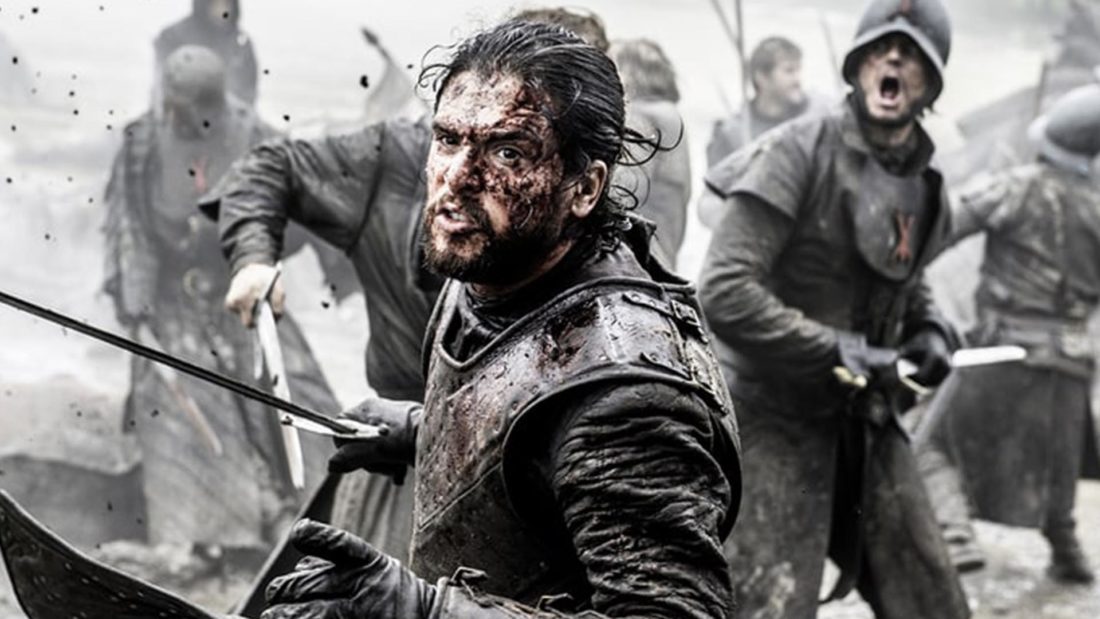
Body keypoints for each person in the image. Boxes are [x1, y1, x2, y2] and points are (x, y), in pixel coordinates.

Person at [259, 20, 742, 619]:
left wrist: (424, 610)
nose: (457, 179)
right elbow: (531, 425)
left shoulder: (626, 401)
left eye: (507, 151)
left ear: (585, 188)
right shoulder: (498, 264)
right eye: (447, 139)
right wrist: (421, 430)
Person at [697, 0, 970, 617]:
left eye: (912, 55)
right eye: (880, 49)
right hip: (773, 415)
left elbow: (905, 275)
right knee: (765, 608)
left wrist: (930, 326)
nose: (893, 60)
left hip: (865, 419)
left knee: (933, 602)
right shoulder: (797, 152)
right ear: (858, 66)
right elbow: (725, 289)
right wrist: (836, 348)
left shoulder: (923, 181)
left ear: (930, 84)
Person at [102, 46, 339, 565]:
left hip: (240, 286)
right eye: (173, 105)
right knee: (179, 399)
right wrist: (135, 305)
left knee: (293, 386)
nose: (178, 116)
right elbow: (128, 226)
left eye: (190, 108)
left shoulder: (259, 138)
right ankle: (206, 535)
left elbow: (298, 221)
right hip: (171, 297)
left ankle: (328, 514)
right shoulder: (143, 142)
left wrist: (231, 242)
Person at [915, 84, 1100, 584]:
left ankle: (955, 537)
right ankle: (1067, 551)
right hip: (1072, 361)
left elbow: (937, 231)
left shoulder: (1015, 187)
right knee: (1058, 463)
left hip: (1003, 352)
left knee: (926, 436)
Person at [698, 36, 824, 229]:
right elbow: (710, 198)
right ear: (762, 78)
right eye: (789, 71)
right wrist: (734, 223)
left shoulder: (817, 120)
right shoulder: (732, 132)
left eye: (799, 70)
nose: (798, 80)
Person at [611, 38, 692, 268]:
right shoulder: (670, 114)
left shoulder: (639, 116)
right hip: (666, 233)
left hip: (639, 242)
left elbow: (626, 189)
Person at [154, 0, 258, 105]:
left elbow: (248, 90)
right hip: (182, 110)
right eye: (216, 4)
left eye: (226, 4)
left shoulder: (240, 43)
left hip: (227, 111)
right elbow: (162, 88)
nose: (221, 10)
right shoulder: (173, 36)